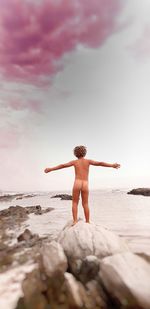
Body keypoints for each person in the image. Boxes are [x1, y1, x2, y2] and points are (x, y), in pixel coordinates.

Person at [44, 145, 120, 225]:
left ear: (75, 154)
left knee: (74, 203)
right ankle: (87, 221)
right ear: (85, 153)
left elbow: (63, 165)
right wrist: (112, 165)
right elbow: (100, 163)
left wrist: (50, 169)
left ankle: (75, 221)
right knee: (85, 203)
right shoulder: (88, 161)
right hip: (85, 184)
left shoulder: (74, 162)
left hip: (77, 183)